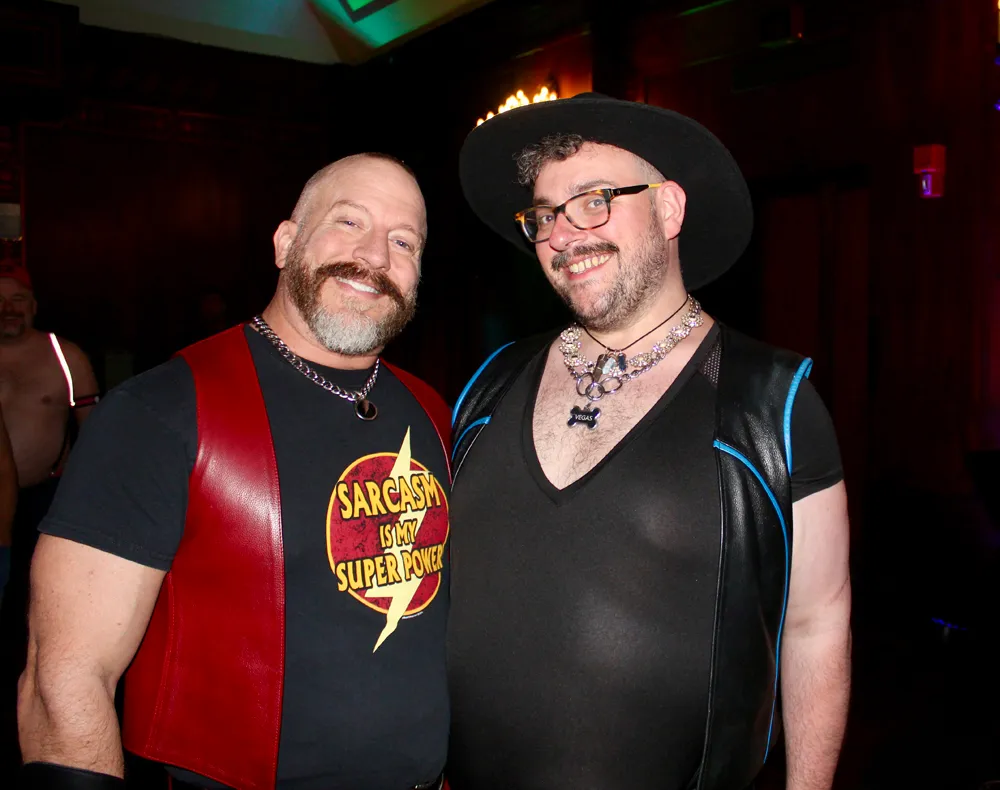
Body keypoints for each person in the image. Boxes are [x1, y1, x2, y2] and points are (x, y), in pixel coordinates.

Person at [448, 94, 851, 790]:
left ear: (669, 209)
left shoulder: (771, 401)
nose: (563, 235)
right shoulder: (490, 381)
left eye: (594, 200)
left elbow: (818, 622)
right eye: (545, 215)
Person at [18, 153, 453, 790]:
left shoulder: (433, 411)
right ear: (285, 242)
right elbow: (64, 678)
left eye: (403, 241)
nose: (374, 256)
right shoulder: (160, 411)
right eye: (349, 222)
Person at [0, 259, 99, 774]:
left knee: (35, 615)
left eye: (17, 299)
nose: (8, 309)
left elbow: (95, 433)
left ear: (34, 305)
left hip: (44, 502)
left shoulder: (64, 356)